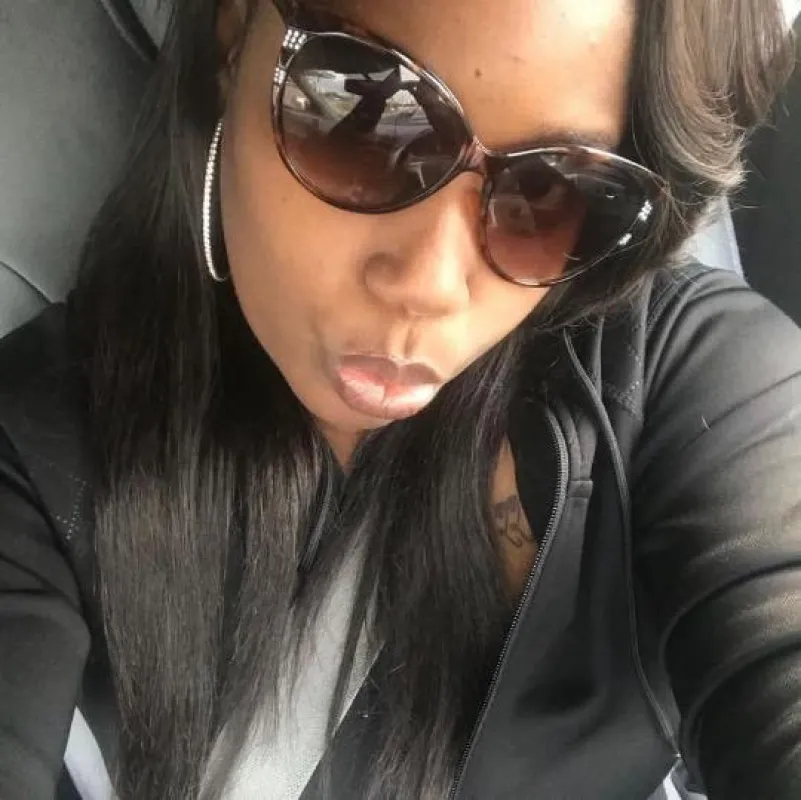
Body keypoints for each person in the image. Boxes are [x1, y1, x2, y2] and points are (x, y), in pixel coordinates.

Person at [0, 0, 799, 798]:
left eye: (555, 190)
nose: (429, 284)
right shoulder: (36, 441)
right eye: (364, 115)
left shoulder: (687, 374)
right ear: (235, 33)